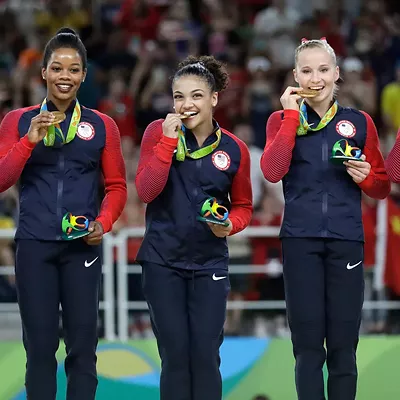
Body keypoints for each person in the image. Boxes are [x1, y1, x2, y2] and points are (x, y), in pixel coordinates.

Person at [0, 28, 127, 400]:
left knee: (83, 351)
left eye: (73, 69)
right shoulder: (18, 122)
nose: (65, 76)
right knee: (39, 351)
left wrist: (103, 224)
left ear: (84, 75)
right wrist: (28, 142)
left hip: (81, 248)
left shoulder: (103, 126)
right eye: (57, 68)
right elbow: (3, 178)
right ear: (43, 73)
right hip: (34, 246)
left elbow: (117, 187)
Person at [260, 38, 390, 400]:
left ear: (336, 74)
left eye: (322, 70)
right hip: (300, 240)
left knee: (344, 348)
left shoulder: (359, 122)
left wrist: (366, 177)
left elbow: (381, 187)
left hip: (346, 239)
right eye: (306, 70)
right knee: (307, 350)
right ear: (295, 75)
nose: (315, 78)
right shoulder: (280, 120)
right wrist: (288, 118)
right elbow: (271, 171)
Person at [135, 55, 253, 400]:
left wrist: (230, 225)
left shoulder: (235, 149)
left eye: (197, 95)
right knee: (174, 357)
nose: (187, 104)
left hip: (209, 263)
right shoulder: (157, 133)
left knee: (205, 357)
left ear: (214, 98)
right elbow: (146, 191)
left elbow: (243, 207)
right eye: (179, 96)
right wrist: (168, 143)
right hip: (162, 261)